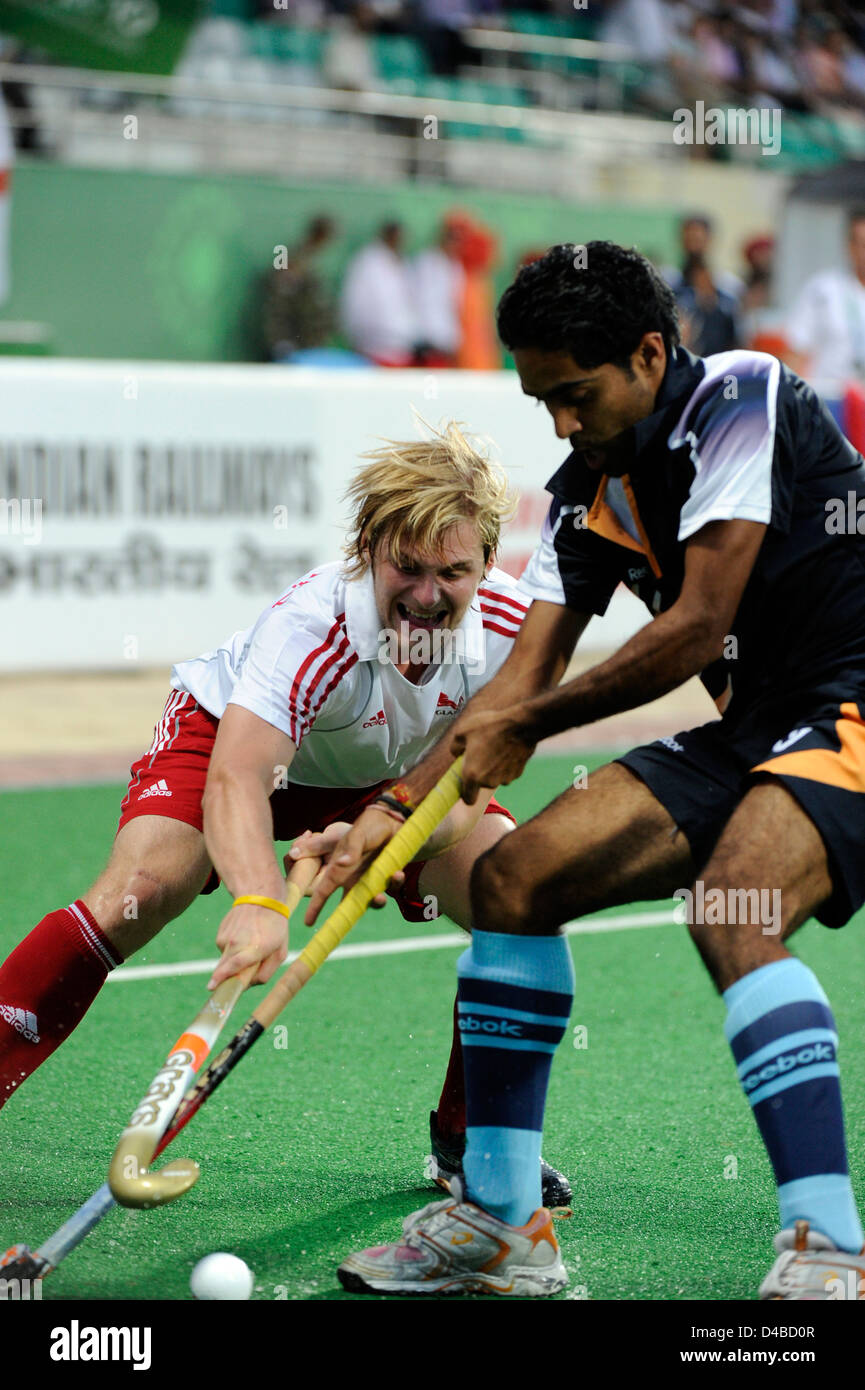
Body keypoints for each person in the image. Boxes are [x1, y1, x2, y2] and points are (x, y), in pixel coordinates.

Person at [315, 242, 865, 1299]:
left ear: (650, 353)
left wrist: (529, 725)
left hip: (851, 703)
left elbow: (698, 625)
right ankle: (501, 1222)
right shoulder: (587, 490)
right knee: (516, 880)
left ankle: (827, 1247)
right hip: (754, 730)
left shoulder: (740, 396)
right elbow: (519, 679)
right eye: (543, 402)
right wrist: (397, 805)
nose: (561, 424)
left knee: (731, 906)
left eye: (575, 394)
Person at [0, 422, 570, 1209]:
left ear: (487, 563)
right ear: (369, 546)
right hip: (234, 742)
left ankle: (474, 1143)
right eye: (406, 566)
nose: (428, 595)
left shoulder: (513, 634)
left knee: (524, 903)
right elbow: (236, 778)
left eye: (454, 571)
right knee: (143, 885)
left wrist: (388, 836)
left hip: (401, 778)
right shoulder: (311, 627)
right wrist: (260, 899)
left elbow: (469, 786)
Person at [786, 206, 865, 387]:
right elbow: (797, 349)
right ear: (850, 247)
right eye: (864, 245)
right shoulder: (824, 290)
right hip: (831, 399)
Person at [340, 221, 418, 367]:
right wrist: (356, 336)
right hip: (372, 347)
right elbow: (355, 301)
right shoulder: (368, 261)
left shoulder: (403, 263)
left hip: (403, 348)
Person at [261, 214, 336, 362]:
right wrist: (281, 340)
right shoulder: (291, 256)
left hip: (308, 337)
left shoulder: (311, 258)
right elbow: (278, 300)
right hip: (291, 338)